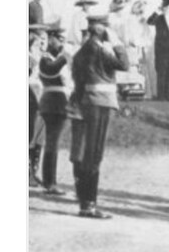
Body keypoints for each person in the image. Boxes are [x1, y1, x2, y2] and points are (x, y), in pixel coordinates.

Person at [69, 14, 129, 218]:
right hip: (101, 103)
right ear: (101, 29)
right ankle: (88, 205)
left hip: (88, 102)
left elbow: (78, 80)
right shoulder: (100, 50)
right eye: (106, 27)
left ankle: (86, 202)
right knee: (94, 154)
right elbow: (124, 64)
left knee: (89, 152)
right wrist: (118, 42)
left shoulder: (81, 52)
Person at [38, 21, 73, 195]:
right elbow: (50, 71)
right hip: (54, 103)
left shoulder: (55, 58)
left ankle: (49, 181)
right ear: (51, 39)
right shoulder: (47, 59)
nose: (61, 43)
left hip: (57, 102)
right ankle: (49, 182)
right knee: (52, 143)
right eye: (59, 39)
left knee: (53, 143)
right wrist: (64, 58)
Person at [147, 0, 169, 101]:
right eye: (167, 6)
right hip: (162, 49)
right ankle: (161, 95)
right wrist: (158, 11)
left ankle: (168, 94)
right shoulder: (159, 18)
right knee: (161, 71)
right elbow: (150, 22)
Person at [28, 24, 48, 187]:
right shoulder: (28, 58)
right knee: (29, 133)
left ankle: (34, 171)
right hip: (30, 96)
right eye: (38, 40)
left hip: (42, 96)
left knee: (40, 133)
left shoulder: (43, 57)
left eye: (44, 40)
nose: (41, 44)